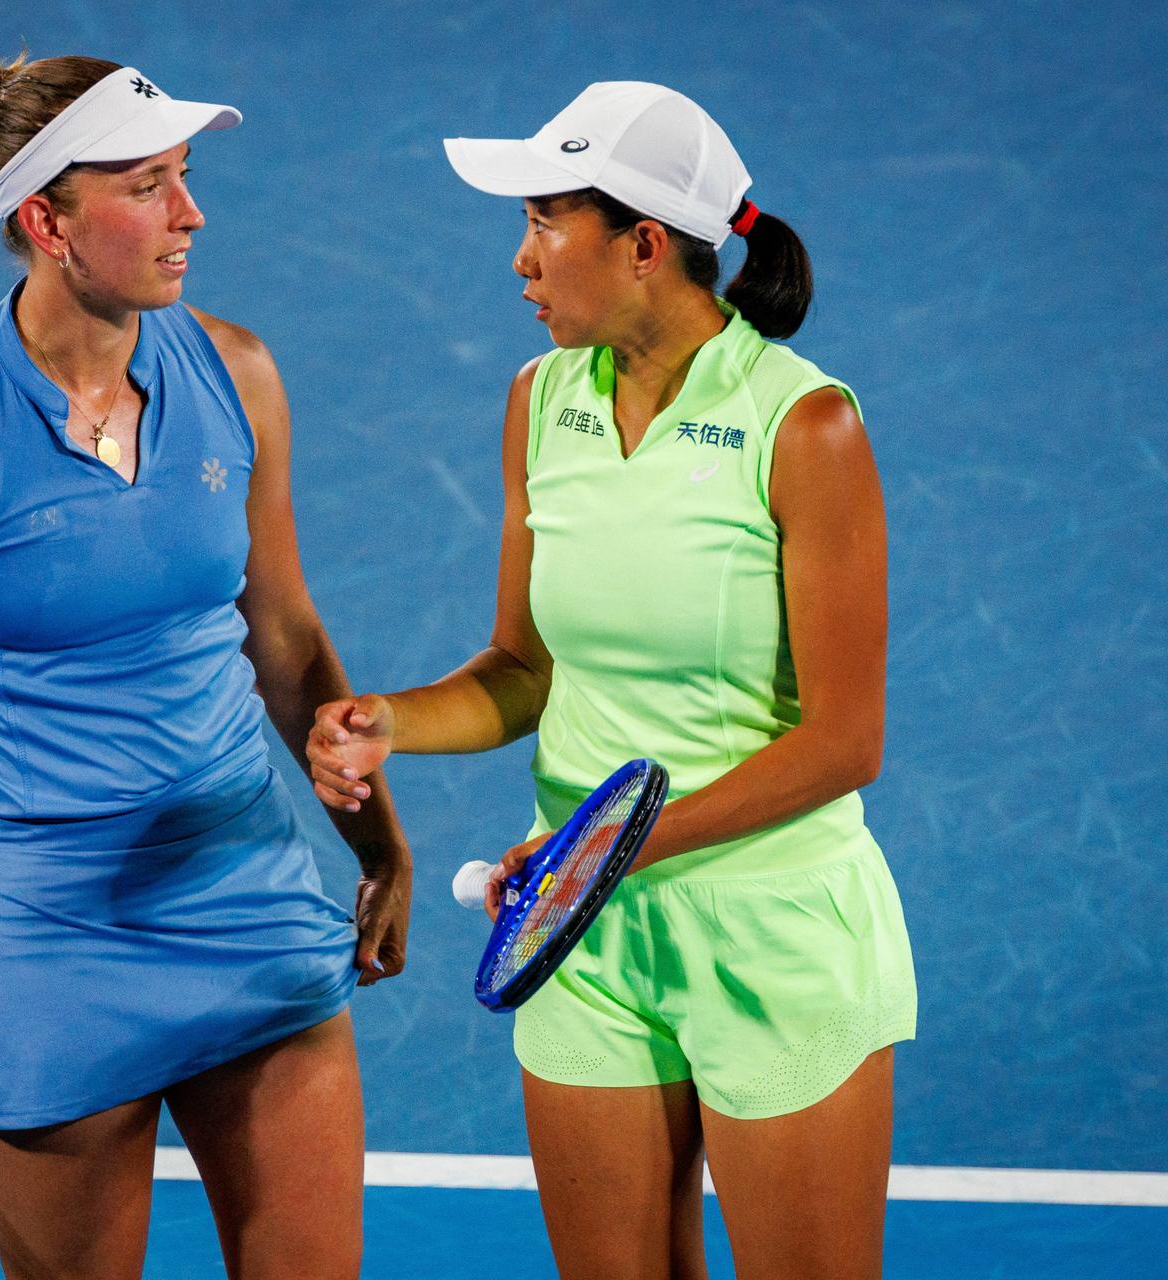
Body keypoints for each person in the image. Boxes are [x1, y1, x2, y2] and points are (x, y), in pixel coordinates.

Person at [0, 52, 411, 1280]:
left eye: (185, 176)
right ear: (46, 222)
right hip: (47, 933)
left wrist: (380, 842)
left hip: (244, 888)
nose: (191, 214)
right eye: (148, 186)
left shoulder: (237, 372)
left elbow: (281, 630)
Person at [308, 82, 916, 1279]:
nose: (521, 258)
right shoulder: (540, 402)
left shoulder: (804, 427)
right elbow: (522, 668)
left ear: (644, 244)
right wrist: (391, 723)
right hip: (583, 933)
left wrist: (610, 847)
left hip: (771, 930)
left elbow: (845, 741)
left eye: (546, 222)